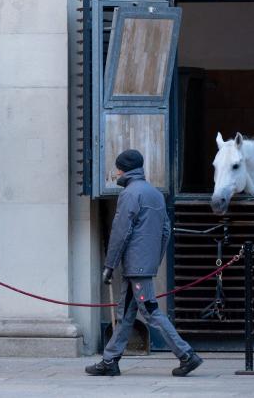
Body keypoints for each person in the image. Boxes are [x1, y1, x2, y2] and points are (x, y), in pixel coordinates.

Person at [85, 149, 203, 377]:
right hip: (142, 264)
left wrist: (109, 265)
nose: (116, 170)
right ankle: (110, 360)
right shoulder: (155, 193)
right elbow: (166, 231)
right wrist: (153, 260)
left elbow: (120, 232)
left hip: (135, 266)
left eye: (118, 166)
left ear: (123, 169)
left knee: (150, 311)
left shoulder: (130, 193)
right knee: (125, 313)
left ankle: (187, 355)